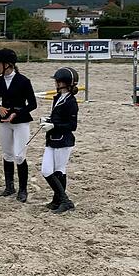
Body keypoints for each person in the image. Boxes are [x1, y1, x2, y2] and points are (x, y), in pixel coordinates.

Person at [0, 48, 37, 203]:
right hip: (4, 121)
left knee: (19, 155)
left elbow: (33, 104)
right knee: (7, 154)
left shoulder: (23, 81)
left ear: (7, 65)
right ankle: (9, 186)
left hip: (20, 122)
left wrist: (16, 113)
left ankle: (23, 189)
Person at [39, 67, 79, 214]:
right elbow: (57, 118)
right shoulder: (57, 97)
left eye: (57, 81)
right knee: (46, 170)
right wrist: (48, 120)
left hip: (63, 141)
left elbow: (72, 125)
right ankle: (58, 199)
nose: (55, 83)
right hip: (52, 139)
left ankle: (64, 200)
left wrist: (53, 125)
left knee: (58, 171)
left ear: (65, 83)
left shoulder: (71, 102)